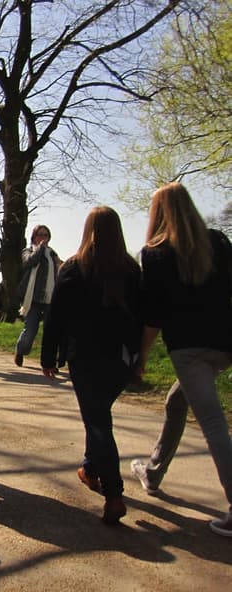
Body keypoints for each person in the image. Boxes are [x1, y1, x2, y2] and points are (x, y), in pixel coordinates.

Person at [129, 182, 232, 538]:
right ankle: (153, 472)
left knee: (214, 424)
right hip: (222, 344)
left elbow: (153, 316)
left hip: (188, 350)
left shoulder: (156, 252)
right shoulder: (217, 241)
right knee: (176, 402)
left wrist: (140, 355)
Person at [41, 206, 142, 525]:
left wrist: (48, 356)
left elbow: (55, 316)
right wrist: (139, 356)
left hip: (84, 357)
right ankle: (89, 467)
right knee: (98, 415)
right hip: (119, 358)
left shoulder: (74, 267)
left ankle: (114, 494)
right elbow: (140, 316)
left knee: (98, 423)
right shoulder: (130, 268)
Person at [15, 224, 62, 367]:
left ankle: (49, 362)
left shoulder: (52, 253)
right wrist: (40, 248)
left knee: (51, 331)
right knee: (30, 330)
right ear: (34, 236)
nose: (43, 238)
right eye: (40, 235)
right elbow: (30, 261)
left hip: (50, 298)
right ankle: (21, 351)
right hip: (33, 298)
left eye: (45, 235)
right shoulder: (27, 251)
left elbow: (58, 270)